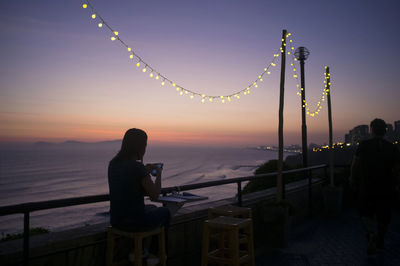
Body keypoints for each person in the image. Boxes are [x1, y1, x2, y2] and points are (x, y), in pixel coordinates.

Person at [108, 128, 170, 260]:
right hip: (135, 223)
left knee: (152, 209)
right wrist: (158, 175)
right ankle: (155, 255)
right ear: (139, 146)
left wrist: (144, 172)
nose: (145, 149)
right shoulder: (137, 167)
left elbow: (129, 186)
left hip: (116, 220)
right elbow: (154, 196)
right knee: (165, 212)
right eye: (145, 145)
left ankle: (139, 250)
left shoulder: (113, 164)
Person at [350, 118, 400, 254]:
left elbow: (355, 165)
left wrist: (353, 180)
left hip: (367, 185)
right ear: (385, 131)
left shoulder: (364, 145)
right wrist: (396, 184)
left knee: (365, 213)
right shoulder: (392, 148)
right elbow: (397, 169)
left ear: (372, 130)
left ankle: (371, 233)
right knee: (384, 215)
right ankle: (380, 238)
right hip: (386, 187)